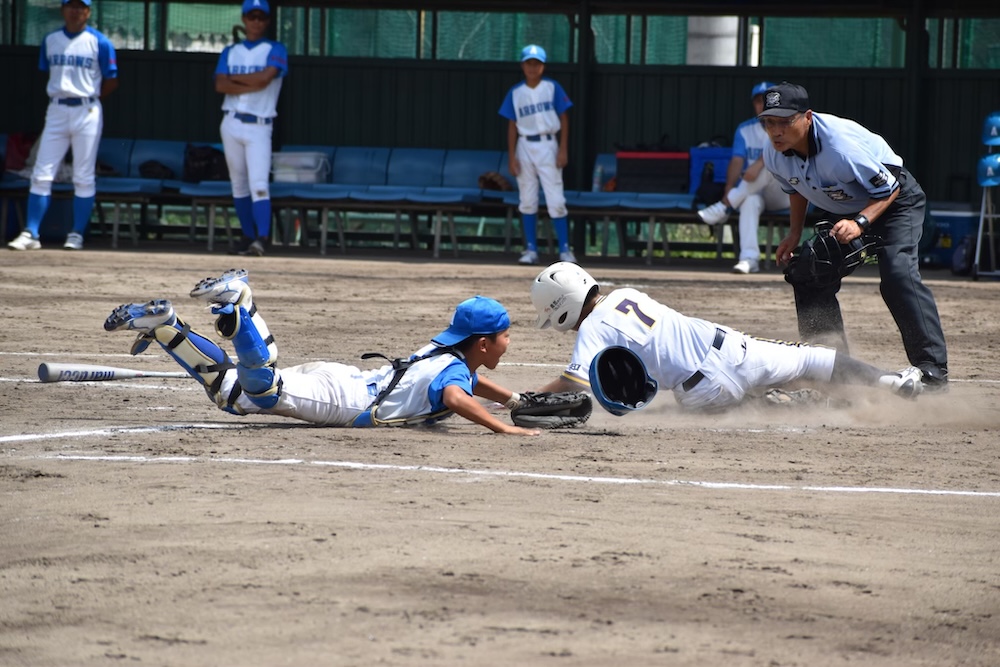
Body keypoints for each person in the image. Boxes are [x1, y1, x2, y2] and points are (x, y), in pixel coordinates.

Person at [104, 269, 540, 434]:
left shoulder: (446, 353)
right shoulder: (454, 373)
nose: (509, 341)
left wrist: (514, 400)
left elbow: (468, 382)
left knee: (233, 395)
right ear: (483, 343)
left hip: (345, 379)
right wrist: (503, 428)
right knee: (265, 391)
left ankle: (166, 327)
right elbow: (456, 396)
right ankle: (241, 305)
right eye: (506, 335)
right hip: (347, 400)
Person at [529, 262, 924, 412]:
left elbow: (575, 382)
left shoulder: (593, 328)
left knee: (744, 406)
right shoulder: (626, 294)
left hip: (702, 393)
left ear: (562, 306)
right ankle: (890, 381)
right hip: (734, 349)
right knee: (811, 358)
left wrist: (527, 397)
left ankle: (783, 403)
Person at [760, 82, 949, 391]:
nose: (775, 131)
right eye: (769, 122)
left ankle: (933, 373)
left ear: (807, 117)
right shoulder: (774, 153)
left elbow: (889, 187)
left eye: (784, 121)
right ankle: (832, 374)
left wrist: (860, 222)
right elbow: (796, 188)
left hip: (894, 202)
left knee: (898, 274)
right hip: (844, 207)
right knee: (807, 272)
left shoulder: (839, 147)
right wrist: (794, 233)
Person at [7, 0, 118, 252]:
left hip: (87, 108)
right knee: (41, 172)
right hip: (57, 107)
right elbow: (46, 71)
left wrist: (91, 99)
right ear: (63, 10)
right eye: (71, 6)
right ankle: (31, 232)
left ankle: (76, 233)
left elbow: (112, 80)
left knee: (83, 175)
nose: (75, 11)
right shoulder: (51, 40)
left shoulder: (100, 41)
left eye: (81, 6)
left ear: (88, 11)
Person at [213, 0, 288, 257]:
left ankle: (263, 238)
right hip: (231, 120)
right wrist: (251, 81)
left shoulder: (275, 48)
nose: (256, 21)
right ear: (244, 19)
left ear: (267, 21)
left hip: (259, 123)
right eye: (252, 16)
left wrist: (235, 79)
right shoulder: (230, 51)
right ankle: (247, 236)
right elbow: (220, 85)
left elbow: (265, 79)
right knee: (238, 184)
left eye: (261, 17)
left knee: (259, 184)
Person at [697, 81, 790, 275]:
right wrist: (729, 188)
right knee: (749, 200)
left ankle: (725, 206)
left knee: (769, 168)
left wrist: (758, 164)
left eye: (766, 100)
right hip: (754, 190)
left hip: (785, 193)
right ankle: (749, 259)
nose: (762, 105)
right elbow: (737, 161)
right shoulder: (745, 129)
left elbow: (779, 153)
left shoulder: (787, 124)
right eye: (758, 101)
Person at [498, 44, 575, 266]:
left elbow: (564, 118)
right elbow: (512, 125)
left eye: (537, 63)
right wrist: (512, 157)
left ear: (543, 66)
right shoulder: (516, 92)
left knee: (556, 199)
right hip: (524, 145)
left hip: (548, 144)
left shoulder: (552, 87)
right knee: (527, 199)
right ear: (522, 66)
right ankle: (531, 249)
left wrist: (563, 148)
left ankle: (565, 250)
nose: (532, 68)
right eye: (529, 63)